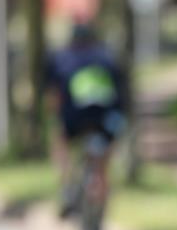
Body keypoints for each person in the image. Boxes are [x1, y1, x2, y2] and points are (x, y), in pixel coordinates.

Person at [44, 22, 129, 219]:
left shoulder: (61, 58)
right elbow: (121, 94)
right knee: (103, 163)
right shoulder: (108, 57)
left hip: (74, 117)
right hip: (106, 118)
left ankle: (66, 188)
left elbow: (53, 97)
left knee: (60, 140)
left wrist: (55, 120)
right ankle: (100, 204)